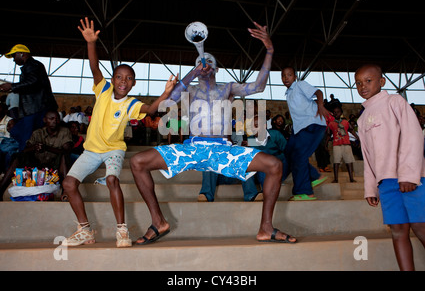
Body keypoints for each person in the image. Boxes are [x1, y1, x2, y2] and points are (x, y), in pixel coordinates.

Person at [130, 22, 297, 244]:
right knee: (137, 162)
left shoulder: (227, 88)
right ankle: (158, 221)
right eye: (201, 62)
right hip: (192, 148)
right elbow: (167, 102)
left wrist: (269, 50)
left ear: (216, 69)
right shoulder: (189, 88)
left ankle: (266, 228)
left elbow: (257, 86)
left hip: (223, 150)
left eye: (210, 62)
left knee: (275, 166)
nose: (205, 65)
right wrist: (192, 73)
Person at [61, 18, 177, 248]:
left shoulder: (132, 103)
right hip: (91, 150)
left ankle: (121, 230)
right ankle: (85, 230)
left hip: (114, 149)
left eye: (129, 78)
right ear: (113, 80)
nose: (123, 81)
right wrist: (91, 43)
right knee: (68, 184)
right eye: (119, 77)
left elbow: (151, 110)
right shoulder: (102, 90)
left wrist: (164, 94)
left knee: (113, 179)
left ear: (133, 84)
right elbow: (94, 68)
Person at [355, 64, 425, 271]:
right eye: (358, 83)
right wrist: (371, 187)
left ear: (381, 82)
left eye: (368, 81)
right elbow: (367, 157)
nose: (363, 86)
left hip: (410, 179)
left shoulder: (394, 101)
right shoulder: (361, 118)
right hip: (386, 183)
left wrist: (409, 175)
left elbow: (413, 136)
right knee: (398, 230)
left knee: (421, 226)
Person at [0, 111, 73, 201]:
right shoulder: (38, 133)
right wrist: (34, 147)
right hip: (37, 165)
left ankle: (65, 192)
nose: (55, 121)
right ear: (45, 120)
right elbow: (24, 150)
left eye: (57, 119)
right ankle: (0, 189)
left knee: (64, 157)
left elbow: (67, 150)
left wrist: (47, 148)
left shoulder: (64, 132)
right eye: (51, 119)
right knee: (18, 157)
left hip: (55, 166)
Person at [281, 66, 330, 201]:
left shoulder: (300, 85)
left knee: (299, 156)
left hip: (312, 123)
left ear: (295, 77)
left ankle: (305, 191)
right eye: (284, 76)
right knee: (289, 152)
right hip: (299, 128)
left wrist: (320, 105)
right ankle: (314, 176)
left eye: (289, 75)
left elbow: (318, 92)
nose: (286, 78)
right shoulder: (288, 93)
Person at [1, 44, 58, 151]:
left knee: (25, 137)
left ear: (22, 54)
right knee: (18, 133)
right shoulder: (33, 66)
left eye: (14, 56)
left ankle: (24, 162)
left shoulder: (32, 65)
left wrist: (12, 86)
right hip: (34, 109)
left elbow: (33, 82)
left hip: (36, 109)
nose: (14, 60)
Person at [326, 106, 357, 183]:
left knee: (349, 161)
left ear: (341, 113)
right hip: (336, 144)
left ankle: (351, 178)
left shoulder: (346, 122)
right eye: (335, 112)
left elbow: (351, 130)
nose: (336, 114)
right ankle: (336, 178)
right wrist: (326, 144)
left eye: (338, 112)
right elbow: (328, 135)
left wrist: (358, 138)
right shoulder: (331, 124)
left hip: (346, 144)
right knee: (336, 161)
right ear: (333, 114)